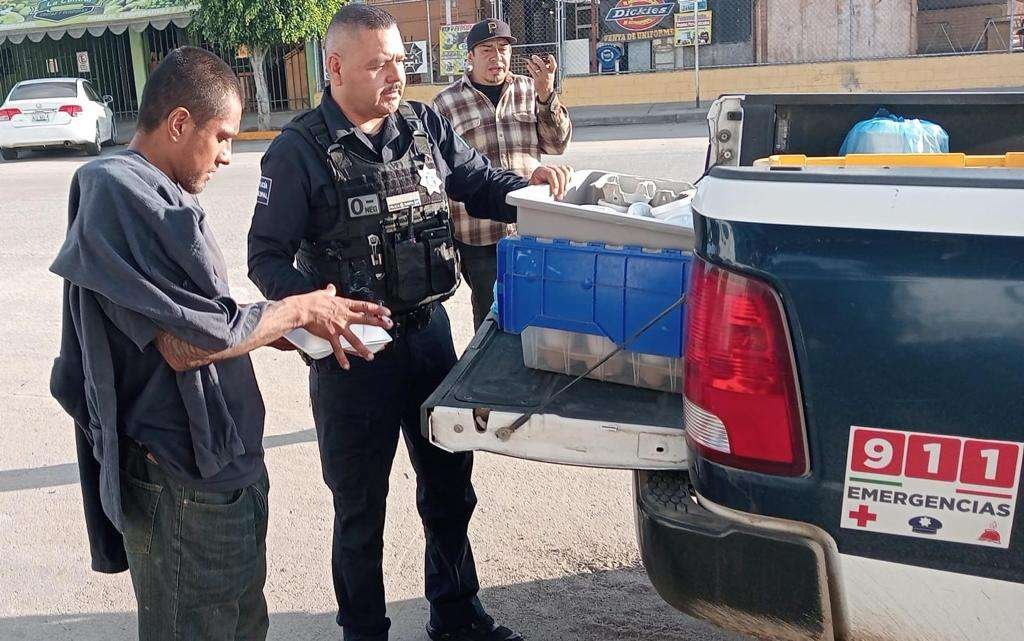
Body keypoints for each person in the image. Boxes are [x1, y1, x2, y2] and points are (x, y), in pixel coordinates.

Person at [246, 5, 571, 641]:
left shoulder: (422, 125)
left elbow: (476, 181)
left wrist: (524, 182)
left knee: (450, 488)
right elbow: (264, 257)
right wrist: (316, 307)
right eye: (379, 63)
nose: (397, 73)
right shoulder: (298, 152)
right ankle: (363, 629)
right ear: (335, 68)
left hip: (426, 337)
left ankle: (455, 613)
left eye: (401, 58)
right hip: (352, 356)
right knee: (360, 508)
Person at [49, 46, 392, 641]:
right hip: (180, 478)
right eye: (223, 137)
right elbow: (188, 342)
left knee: (242, 625)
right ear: (179, 122)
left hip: (224, 471)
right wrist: (296, 307)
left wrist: (289, 329)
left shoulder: (160, 194)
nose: (229, 156)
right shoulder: (116, 189)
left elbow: (211, 317)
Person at [433, 18, 572, 329]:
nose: (497, 57)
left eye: (503, 49)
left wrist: (547, 96)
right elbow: (441, 172)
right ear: (470, 56)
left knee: (540, 307)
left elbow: (557, 144)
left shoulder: (530, 89)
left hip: (529, 224)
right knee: (491, 317)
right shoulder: (447, 102)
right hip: (479, 234)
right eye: (486, 50)